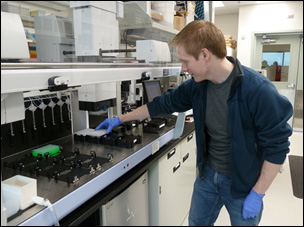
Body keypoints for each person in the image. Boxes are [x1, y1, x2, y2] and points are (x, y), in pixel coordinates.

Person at [95, 20, 293, 226]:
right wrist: (120, 119)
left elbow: (277, 147)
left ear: (205, 55)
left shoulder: (257, 90)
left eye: (186, 61)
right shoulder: (198, 86)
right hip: (208, 177)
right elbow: (161, 105)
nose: (183, 68)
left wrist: (258, 193)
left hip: (243, 184)